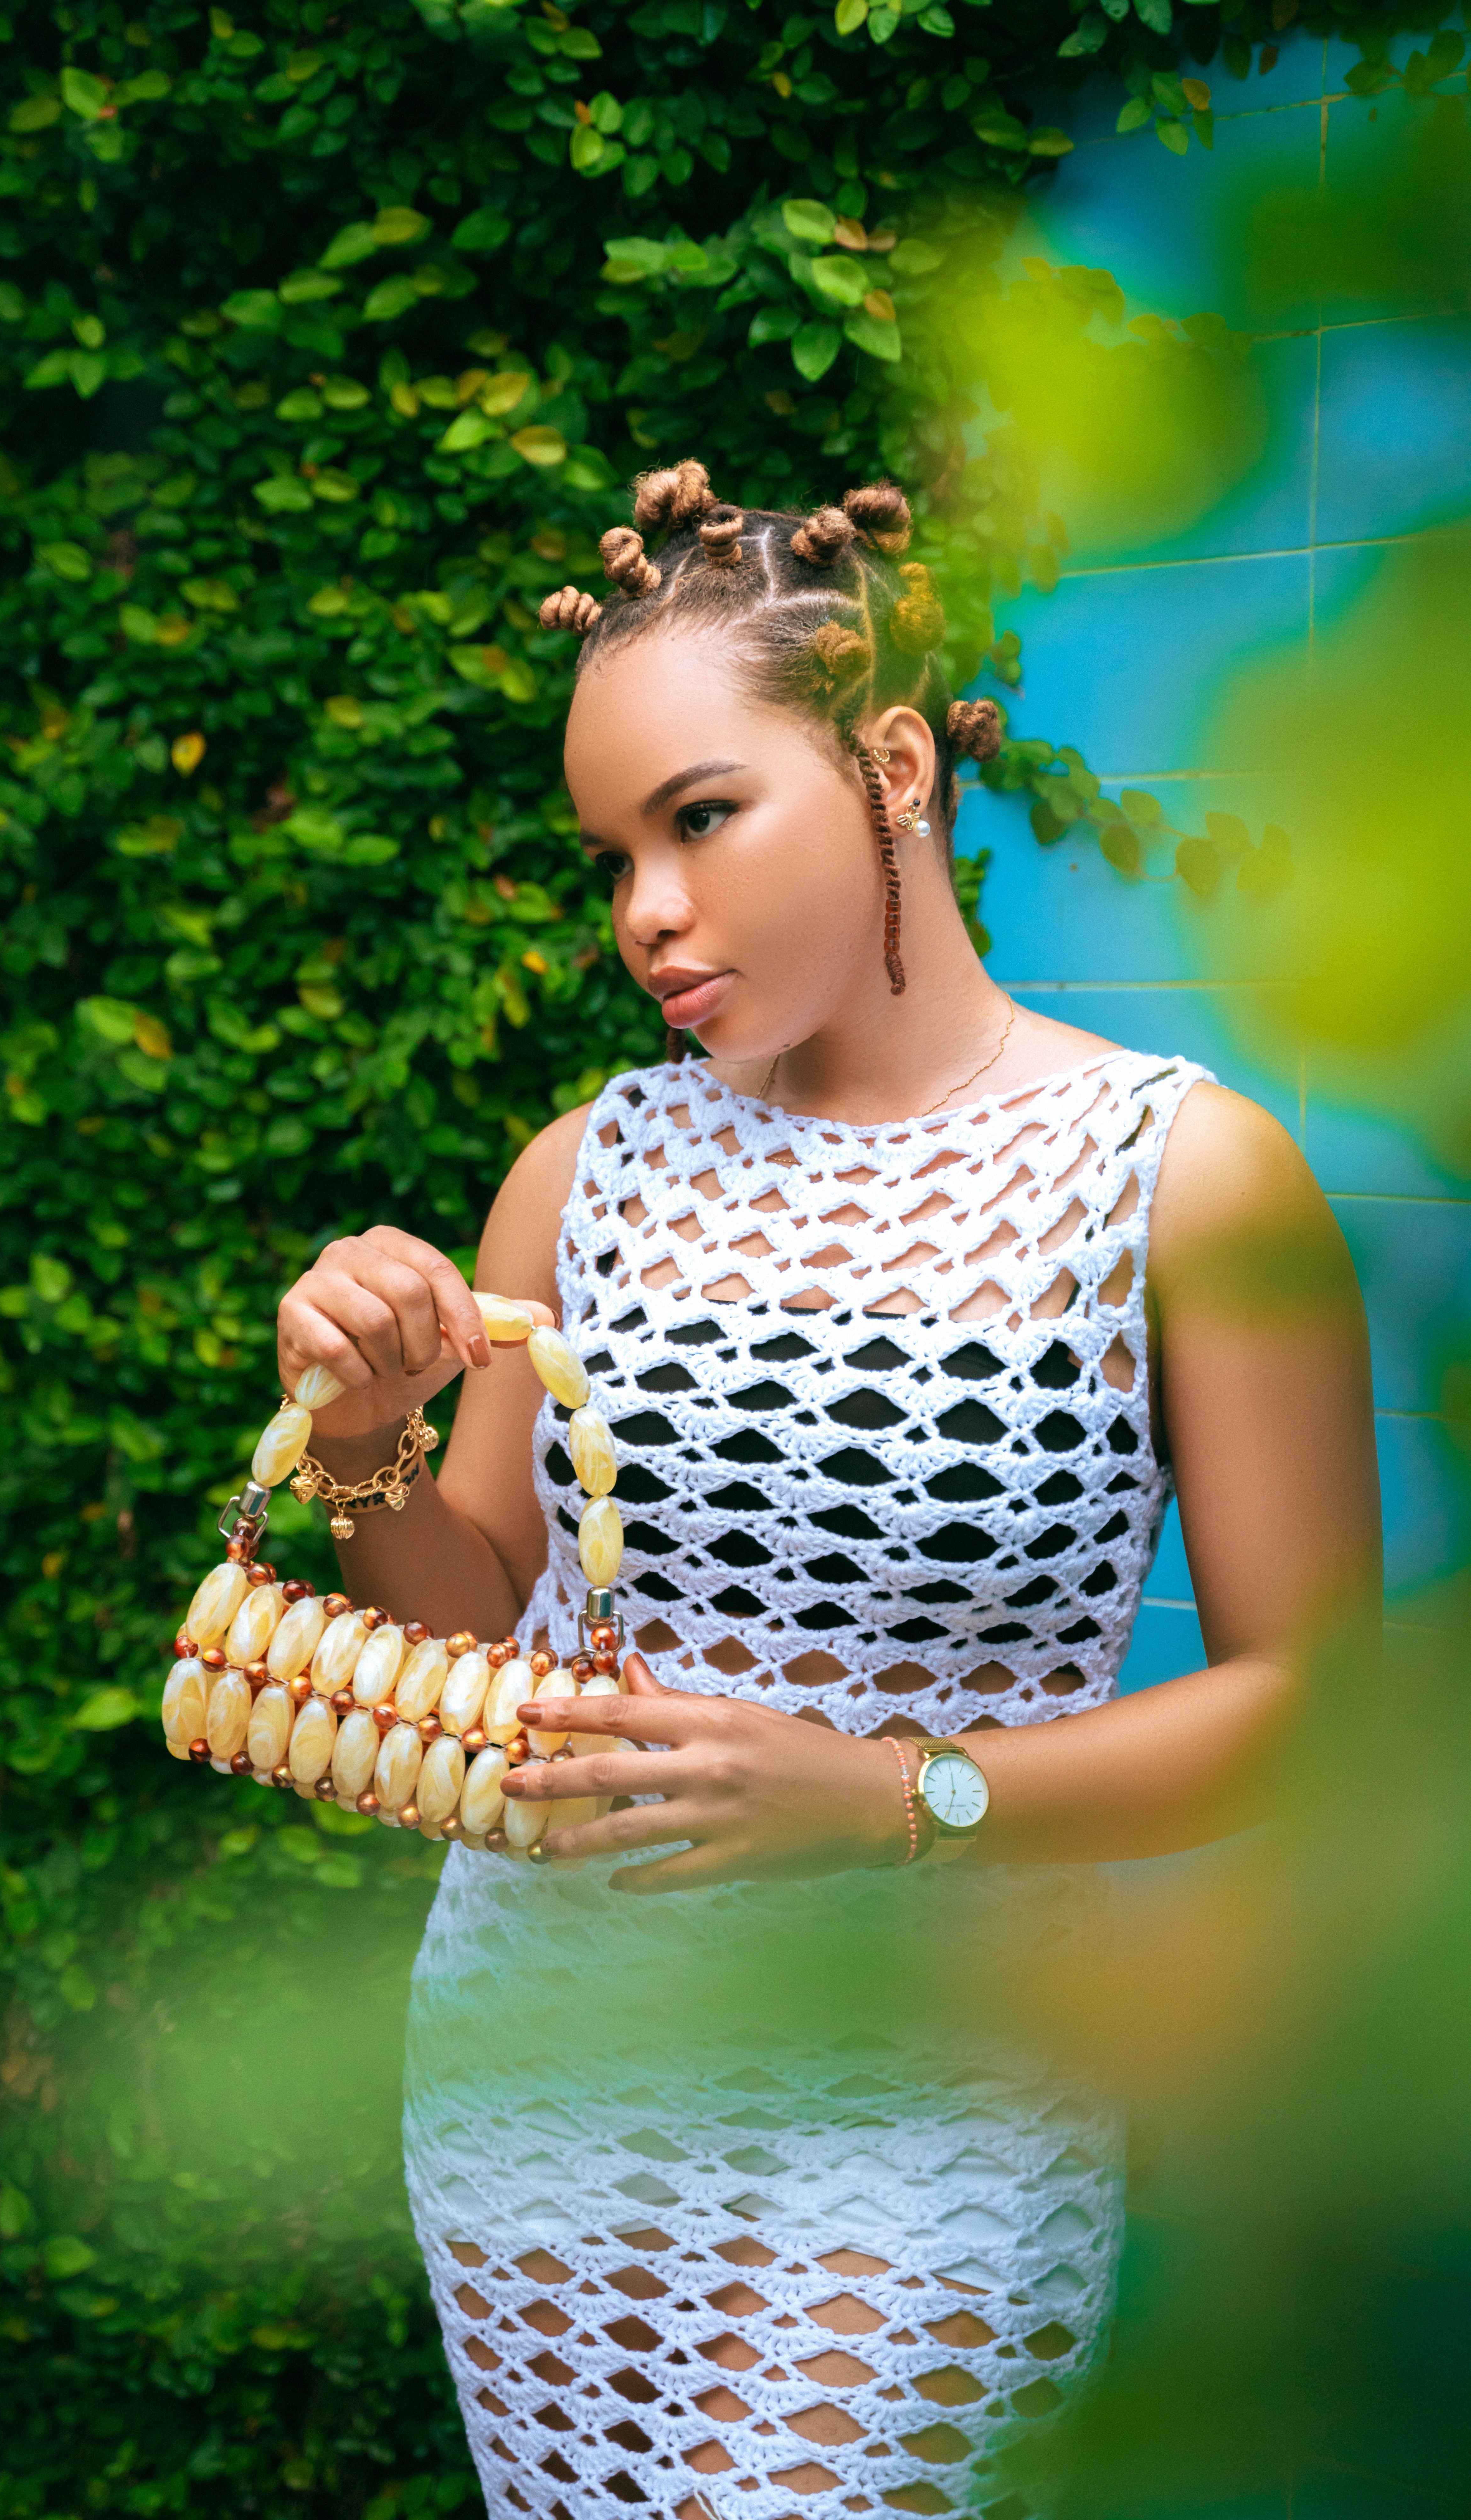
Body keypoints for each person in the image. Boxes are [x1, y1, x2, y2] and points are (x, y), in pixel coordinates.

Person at [275, 462, 1378, 2520]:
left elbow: (1311, 1706)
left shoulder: (1181, 1176)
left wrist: (890, 1794)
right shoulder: (577, 1173)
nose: (644, 915)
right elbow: (469, 1625)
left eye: (700, 818)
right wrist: (364, 1443)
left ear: (889, 768)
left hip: (937, 2071)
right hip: (549, 2034)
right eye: (612, 853)